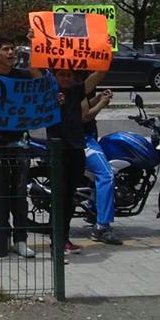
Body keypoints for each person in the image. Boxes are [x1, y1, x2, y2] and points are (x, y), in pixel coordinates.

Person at [0, 33, 41, 258]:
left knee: (19, 193)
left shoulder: (23, 76)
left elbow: (39, 79)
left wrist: (36, 43)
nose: (11, 53)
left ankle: (20, 239)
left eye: (13, 49)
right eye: (6, 49)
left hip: (19, 142)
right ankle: (1, 240)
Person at [49, 67, 107, 258]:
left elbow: (98, 74)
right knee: (60, 198)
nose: (66, 78)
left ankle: (63, 239)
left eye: (68, 75)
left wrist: (108, 50)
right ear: (54, 76)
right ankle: (56, 242)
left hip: (76, 150)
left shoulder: (76, 91)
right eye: (61, 75)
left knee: (69, 198)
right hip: (59, 152)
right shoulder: (48, 93)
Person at [82, 86, 121, 245]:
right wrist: (102, 103)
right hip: (82, 141)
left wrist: (98, 97)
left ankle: (93, 208)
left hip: (88, 137)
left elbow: (84, 104)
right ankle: (101, 226)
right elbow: (85, 115)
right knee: (107, 175)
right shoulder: (74, 83)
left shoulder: (75, 84)